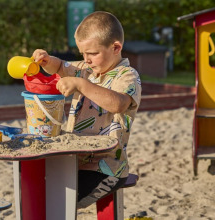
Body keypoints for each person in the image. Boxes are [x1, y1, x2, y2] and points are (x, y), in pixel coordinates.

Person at [32, 11, 142, 209]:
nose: (86, 59)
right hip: (75, 162)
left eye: (92, 53)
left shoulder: (127, 76)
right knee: (38, 188)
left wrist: (82, 85)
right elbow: (60, 67)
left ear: (116, 47)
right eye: (83, 53)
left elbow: (118, 104)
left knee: (60, 203)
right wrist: (47, 60)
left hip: (106, 169)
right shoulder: (86, 69)